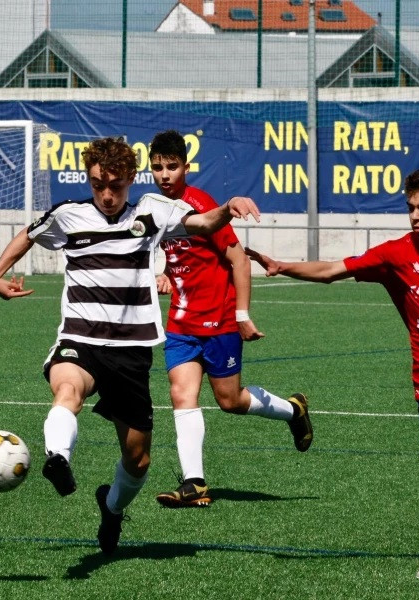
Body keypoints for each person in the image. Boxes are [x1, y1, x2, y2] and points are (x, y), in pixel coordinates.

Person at [0, 136, 259, 555]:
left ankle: (112, 508)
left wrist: (227, 207)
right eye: (98, 185)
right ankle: (58, 457)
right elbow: (29, 233)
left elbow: (203, 224)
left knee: (138, 462)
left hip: (131, 352)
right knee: (67, 389)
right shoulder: (69, 215)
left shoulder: (153, 211)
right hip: (81, 338)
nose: (107, 195)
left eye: (115, 185)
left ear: (131, 178)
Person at [253, 167, 419, 580]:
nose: (415, 216)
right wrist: (281, 265)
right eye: (411, 207)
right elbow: (331, 270)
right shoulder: (395, 254)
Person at [147, 130, 312, 509]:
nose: (165, 174)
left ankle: (294, 409)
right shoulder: (153, 205)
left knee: (230, 401)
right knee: (181, 395)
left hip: (218, 320)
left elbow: (238, 260)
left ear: (186, 167)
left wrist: (241, 315)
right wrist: (164, 274)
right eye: (157, 168)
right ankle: (194, 484)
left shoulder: (200, 203)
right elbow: (173, 254)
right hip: (181, 324)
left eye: (172, 167)